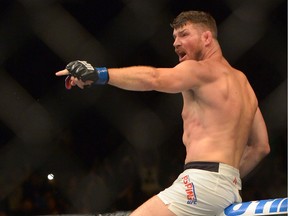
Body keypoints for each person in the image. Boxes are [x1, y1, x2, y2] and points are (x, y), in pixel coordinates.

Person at [55, 10, 270, 216]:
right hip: (230, 187)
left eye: (184, 34)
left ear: (207, 37)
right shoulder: (244, 85)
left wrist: (98, 74)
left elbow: (154, 78)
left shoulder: (200, 70)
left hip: (203, 181)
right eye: (174, 37)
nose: (176, 43)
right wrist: (224, 181)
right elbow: (261, 147)